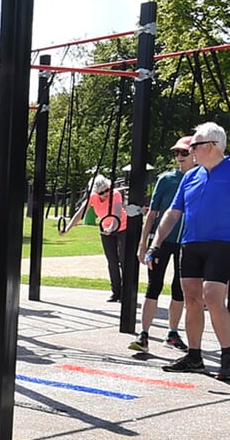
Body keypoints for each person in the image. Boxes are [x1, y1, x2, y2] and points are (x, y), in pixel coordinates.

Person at [145, 122, 230, 380]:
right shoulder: (191, 176)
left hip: (222, 244)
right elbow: (173, 212)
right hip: (190, 243)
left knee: (213, 297)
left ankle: (227, 356)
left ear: (213, 146)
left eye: (195, 145)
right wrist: (155, 243)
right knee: (191, 298)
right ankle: (194, 356)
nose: (190, 149)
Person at [131, 136, 194, 355]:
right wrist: (143, 243)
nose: (179, 157)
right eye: (176, 153)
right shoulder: (166, 180)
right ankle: (144, 333)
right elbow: (152, 214)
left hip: (187, 244)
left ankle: (172, 333)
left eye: (183, 153)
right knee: (153, 286)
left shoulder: (203, 179)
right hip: (163, 241)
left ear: (195, 154)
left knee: (180, 289)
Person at [73, 175, 130, 303]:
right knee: (112, 261)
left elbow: (116, 214)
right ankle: (116, 292)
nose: (105, 193)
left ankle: (125, 292)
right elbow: (80, 214)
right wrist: (67, 227)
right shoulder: (93, 197)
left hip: (122, 227)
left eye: (106, 190)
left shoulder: (115, 194)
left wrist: (111, 228)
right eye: (101, 192)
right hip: (105, 229)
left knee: (123, 260)